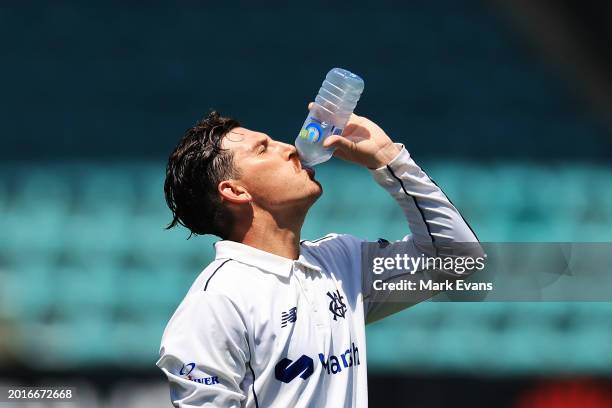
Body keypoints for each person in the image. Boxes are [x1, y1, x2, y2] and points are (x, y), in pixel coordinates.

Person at [156, 106, 482, 407]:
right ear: (235, 191)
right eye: (263, 148)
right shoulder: (217, 301)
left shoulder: (343, 261)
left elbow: (456, 258)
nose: (289, 148)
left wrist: (389, 159)